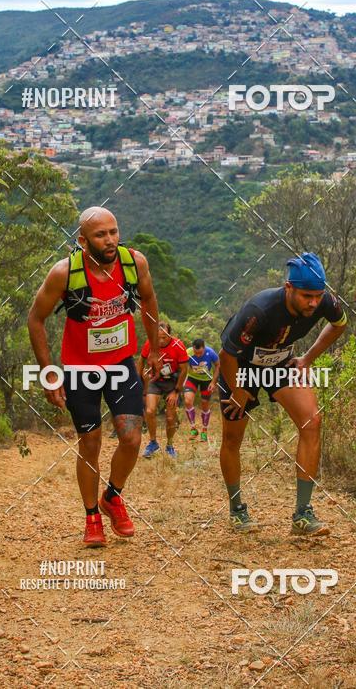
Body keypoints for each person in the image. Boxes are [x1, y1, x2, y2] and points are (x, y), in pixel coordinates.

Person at [27, 207, 159, 548]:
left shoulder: (134, 263)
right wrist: (49, 375)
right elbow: (35, 320)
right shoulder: (64, 273)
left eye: (114, 232)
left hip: (120, 364)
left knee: (131, 438)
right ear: (83, 240)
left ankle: (112, 496)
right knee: (90, 443)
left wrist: (155, 349)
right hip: (80, 369)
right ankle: (91, 518)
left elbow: (148, 300)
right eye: (101, 235)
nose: (111, 240)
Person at [218, 252, 347, 536]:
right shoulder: (260, 309)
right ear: (289, 287)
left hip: (279, 363)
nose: (313, 302)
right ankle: (237, 509)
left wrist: (308, 359)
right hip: (239, 368)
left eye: (317, 295)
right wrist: (238, 390)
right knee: (232, 438)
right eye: (305, 296)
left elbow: (339, 324)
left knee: (311, 422)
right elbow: (226, 354)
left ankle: (303, 514)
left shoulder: (322, 301)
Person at [139, 321, 189, 459]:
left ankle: (170, 446)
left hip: (172, 382)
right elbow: (141, 360)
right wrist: (140, 381)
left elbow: (185, 369)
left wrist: (176, 391)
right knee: (149, 411)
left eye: (164, 337)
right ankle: (153, 443)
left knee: (170, 416)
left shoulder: (178, 345)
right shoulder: (150, 343)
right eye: (158, 337)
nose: (161, 340)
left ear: (170, 335)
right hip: (155, 381)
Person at [184, 338, 219, 441]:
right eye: (195, 352)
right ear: (193, 348)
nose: (198, 355)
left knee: (204, 404)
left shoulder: (211, 352)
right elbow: (182, 364)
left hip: (207, 380)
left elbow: (218, 365)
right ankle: (193, 428)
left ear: (204, 348)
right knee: (188, 401)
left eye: (200, 353)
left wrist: (213, 382)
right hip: (192, 378)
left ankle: (204, 431)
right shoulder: (188, 352)